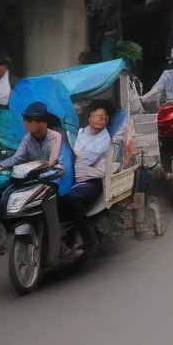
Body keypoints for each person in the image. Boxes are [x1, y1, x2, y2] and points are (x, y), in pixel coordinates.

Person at [59, 102, 112, 254]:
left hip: (91, 180)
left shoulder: (105, 139)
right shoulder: (80, 132)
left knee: (71, 199)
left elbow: (86, 158)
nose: (98, 120)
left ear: (107, 120)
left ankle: (87, 236)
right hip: (71, 175)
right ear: (89, 118)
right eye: (95, 116)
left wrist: (71, 158)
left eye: (102, 117)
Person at [0, 101, 63, 171]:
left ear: (41, 122)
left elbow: (53, 161)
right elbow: (18, 157)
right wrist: (0, 165)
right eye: (24, 120)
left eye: (29, 121)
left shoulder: (56, 136)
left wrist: (48, 164)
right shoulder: (27, 138)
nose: (24, 124)